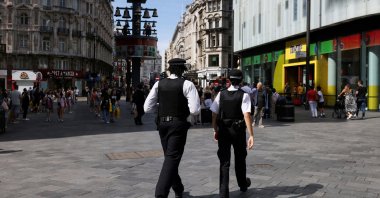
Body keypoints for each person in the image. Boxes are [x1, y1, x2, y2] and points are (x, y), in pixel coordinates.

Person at [144, 58, 201, 198]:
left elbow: (147, 108)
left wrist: (161, 108)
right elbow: (194, 110)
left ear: (169, 69)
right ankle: (160, 194)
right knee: (171, 158)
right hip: (178, 125)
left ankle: (178, 188)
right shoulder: (187, 84)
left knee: (170, 157)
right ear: (182, 69)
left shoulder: (159, 84)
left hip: (162, 124)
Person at [210, 69, 254, 198]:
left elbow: (214, 114)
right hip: (238, 131)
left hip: (223, 130)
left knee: (224, 161)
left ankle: (223, 192)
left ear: (229, 80)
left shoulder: (221, 94)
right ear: (240, 81)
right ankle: (242, 184)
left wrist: (215, 129)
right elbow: (246, 115)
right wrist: (251, 135)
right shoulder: (244, 95)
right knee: (240, 158)